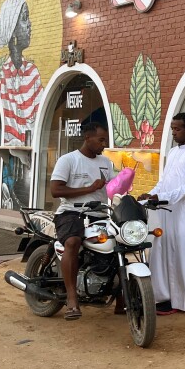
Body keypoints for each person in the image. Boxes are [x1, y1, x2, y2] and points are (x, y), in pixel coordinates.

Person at [139, 112, 185, 315]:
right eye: (172, 129)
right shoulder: (173, 153)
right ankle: (165, 297)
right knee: (163, 254)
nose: (174, 133)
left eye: (177, 129)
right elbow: (165, 182)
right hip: (167, 212)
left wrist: (162, 198)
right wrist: (151, 193)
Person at [49, 122, 117, 320]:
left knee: (121, 244)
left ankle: (122, 299)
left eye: (106, 140)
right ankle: (71, 299)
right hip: (72, 213)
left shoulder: (105, 162)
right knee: (72, 241)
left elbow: (113, 187)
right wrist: (89, 188)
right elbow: (55, 190)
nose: (104, 144)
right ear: (87, 137)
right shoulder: (68, 160)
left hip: (100, 214)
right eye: (101, 140)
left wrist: (126, 185)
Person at [0, 0, 43, 146]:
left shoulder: (32, 72)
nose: (30, 24)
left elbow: (41, 117)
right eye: (25, 18)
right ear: (12, 31)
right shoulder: (0, 75)